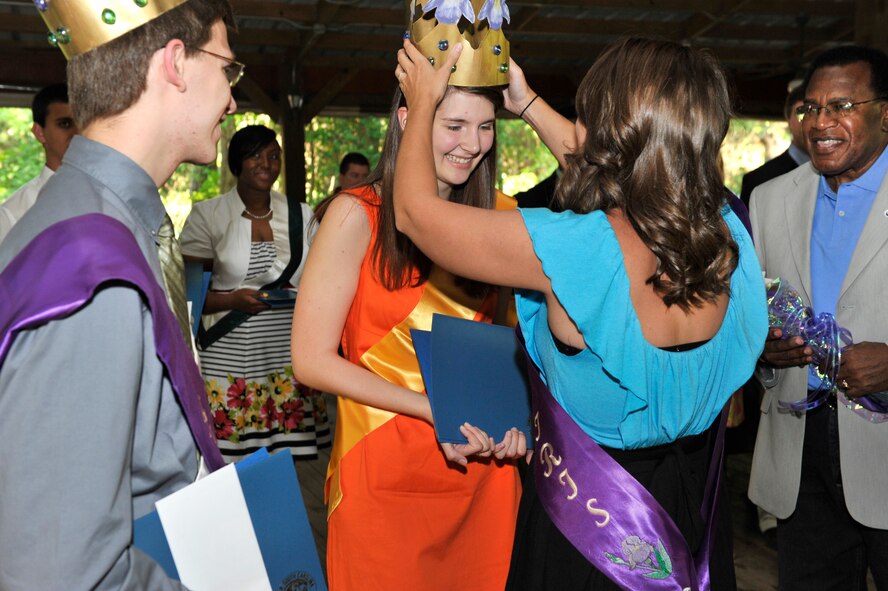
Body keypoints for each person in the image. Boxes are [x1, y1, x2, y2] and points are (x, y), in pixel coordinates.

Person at [393, 36, 768, 590]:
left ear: (611, 132)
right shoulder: (726, 230)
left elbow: (415, 216)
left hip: (590, 522)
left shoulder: (578, 248)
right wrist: (523, 102)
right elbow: (636, 171)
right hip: (689, 509)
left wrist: (422, 100)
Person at [0, 0, 239, 588]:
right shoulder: (90, 267)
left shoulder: (101, 221)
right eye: (227, 70)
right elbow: (62, 572)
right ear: (177, 64)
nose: (233, 99)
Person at [290, 56, 524, 591]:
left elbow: (516, 347)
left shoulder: (503, 216)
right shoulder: (356, 215)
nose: (472, 142)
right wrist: (433, 409)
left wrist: (519, 423)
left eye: (485, 126)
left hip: (484, 472)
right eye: (454, 125)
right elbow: (310, 359)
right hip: (382, 472)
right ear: (408, 119)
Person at [747, 45, 888, 590]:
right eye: (810, 108)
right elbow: (753, 310)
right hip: (797, 448)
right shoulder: (770, 198)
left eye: (843, 106)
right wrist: (763, 347)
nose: (822, 123)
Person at [180, 124, 329, 462]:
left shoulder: (300, 214)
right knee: (229, 457)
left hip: (284, 355)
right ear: (237, 163)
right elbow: (188, 293)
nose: (267, 163)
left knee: (283, 458)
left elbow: (321, 277)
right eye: (255, 156)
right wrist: (232, 300)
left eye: (273, 156)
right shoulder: (209, 215)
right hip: (227, 354)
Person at [0, 83, 78, 241]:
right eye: (65, 124)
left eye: (84, 123)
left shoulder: (115, 196)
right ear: (40, 133)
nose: (77, 133)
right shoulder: (15, 213)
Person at [739, 82, 810, 207]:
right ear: (788, 118)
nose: (808, 121)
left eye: (814, 112)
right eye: (801, 113)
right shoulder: (759, 181)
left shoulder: (838, 175)